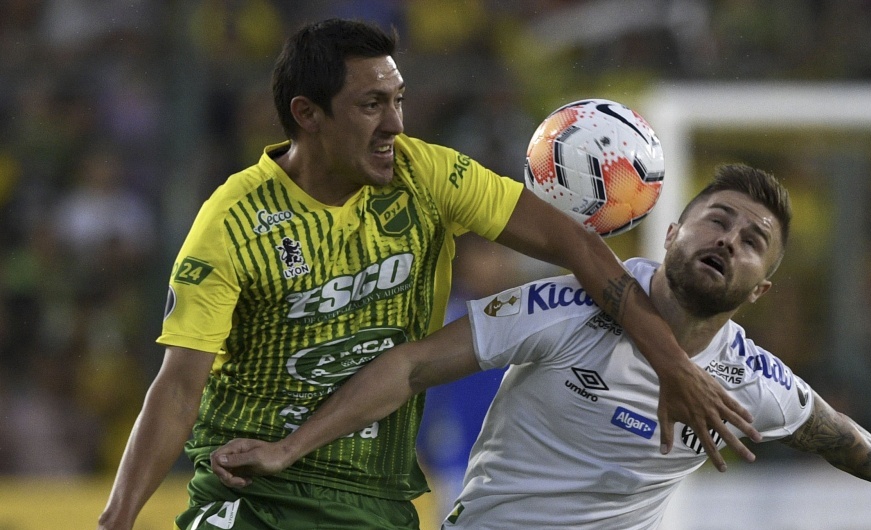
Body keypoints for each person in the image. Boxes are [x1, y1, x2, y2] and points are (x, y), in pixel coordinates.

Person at [97, 18, 760, 530]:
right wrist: (119, 516)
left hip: (376, 498)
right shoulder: (234, 222)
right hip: (254, 492)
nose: (395, 125)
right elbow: (180, 387)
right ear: (308, 115)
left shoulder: (428, 174)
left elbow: (580, 251)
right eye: (370, 106)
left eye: (398, 100)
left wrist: (673, 366)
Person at [210, 164, 871, 529]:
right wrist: (286, 448)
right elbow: (412, 364)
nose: (729, 241)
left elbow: (832, 432)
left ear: (759, 290)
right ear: (673, 232)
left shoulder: (751, 379)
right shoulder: (568, 304)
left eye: (753, 244)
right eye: (718, 221)